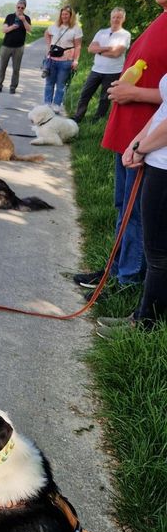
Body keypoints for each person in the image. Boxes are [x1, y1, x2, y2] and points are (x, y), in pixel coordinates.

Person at [74, 0, 167, 301]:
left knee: (138, 214)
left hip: (150, 139)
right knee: (123, 208)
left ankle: (126, 281)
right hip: (129, 133)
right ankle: (116, 267)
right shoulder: (159, 19)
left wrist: (134, 95)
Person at [96, 73, 167, 338]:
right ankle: (142, 316)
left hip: (164, 166)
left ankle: (145, 324)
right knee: (156, 249)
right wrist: (137, 142)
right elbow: (164, 108)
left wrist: (142, 148)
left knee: (158, 253)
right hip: (157, 158)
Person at [73, 8, 131, 123]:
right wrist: (107, 48)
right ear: (110, 18)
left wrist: (99, 50)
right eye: (114, 17)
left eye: (119, 17)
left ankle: (97, 120)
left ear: (123, 19)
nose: (116, 20)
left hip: (113, 71)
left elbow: (116, 53)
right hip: (96, 70)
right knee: (85, 94)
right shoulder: (101, 32)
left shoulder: (125, 35)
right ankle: (77, 117)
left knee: (105, 98)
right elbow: (90, 49)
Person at [42, 5, 83, 114]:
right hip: (52, 60)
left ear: (71, 16)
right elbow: (47, 33)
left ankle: (55, 107)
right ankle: (47, 106)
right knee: (49, 84)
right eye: (63, 14)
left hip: (66, 61)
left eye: (67, 14)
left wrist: (75, 60)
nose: (64, 16)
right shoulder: (55, 26)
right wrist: (48, 46)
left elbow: (78, 46)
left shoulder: (76, 29)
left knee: (60, 86)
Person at [0, 0, 32, 94]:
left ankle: (13, 87)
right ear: (16, 6)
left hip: (19, 47)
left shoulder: (26, 18)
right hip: (6, 46)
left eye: (22, 8)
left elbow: (29, 30)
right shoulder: (10, 17)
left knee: (16, 68)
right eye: (18, 7)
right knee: (2, 67)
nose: (20, 9)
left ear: (24, 8)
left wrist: (23, 21)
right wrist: (12, 27)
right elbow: (4, 30)